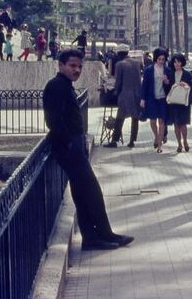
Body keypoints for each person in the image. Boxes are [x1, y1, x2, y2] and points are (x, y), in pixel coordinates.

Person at [43, 49, 134, 251]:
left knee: (83, 194)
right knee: (91, 192)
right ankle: (101, 234)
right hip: (68, 148)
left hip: (73, 146)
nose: (77, 69)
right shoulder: (56, 86)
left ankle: (95, 236)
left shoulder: (64, 85)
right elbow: (53, 119)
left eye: (79, 66)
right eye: (72, 65)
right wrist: (68, 143)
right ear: (61, 65)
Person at [104, 44, 141, 149]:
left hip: (125, 95)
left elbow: (118, 82)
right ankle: (132, 141)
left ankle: (114, 140)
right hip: (137, 94)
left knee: (120, 118)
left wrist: (114, 92)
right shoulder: (137, 63)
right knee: (135, 118)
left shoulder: (120, 64)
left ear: (119, 54)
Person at [140, 47, 170, 153]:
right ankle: (157, 137)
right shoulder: (149, 70)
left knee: (162, 121)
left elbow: (170, 86)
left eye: (163, 59)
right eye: (159, 59)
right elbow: (144, 85)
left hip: (163, 99)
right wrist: (142, 98)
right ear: (156, 59)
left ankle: (160, 144)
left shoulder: (167, 70)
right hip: (151, 98)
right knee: (153, 121)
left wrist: (166, 82)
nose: (161, 61)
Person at [166, 53, 192, 153]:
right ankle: (179, 144)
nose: (177, 64)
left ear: (182, 63)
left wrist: (186, 84)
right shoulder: (170, 74)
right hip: (173, 102)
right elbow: (167, 88)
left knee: (183, 124)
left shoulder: (187, 74)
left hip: (183, 102)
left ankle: (185, 141)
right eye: (175, 62)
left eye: (179, 62)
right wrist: (166, 82)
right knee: (176, 124)